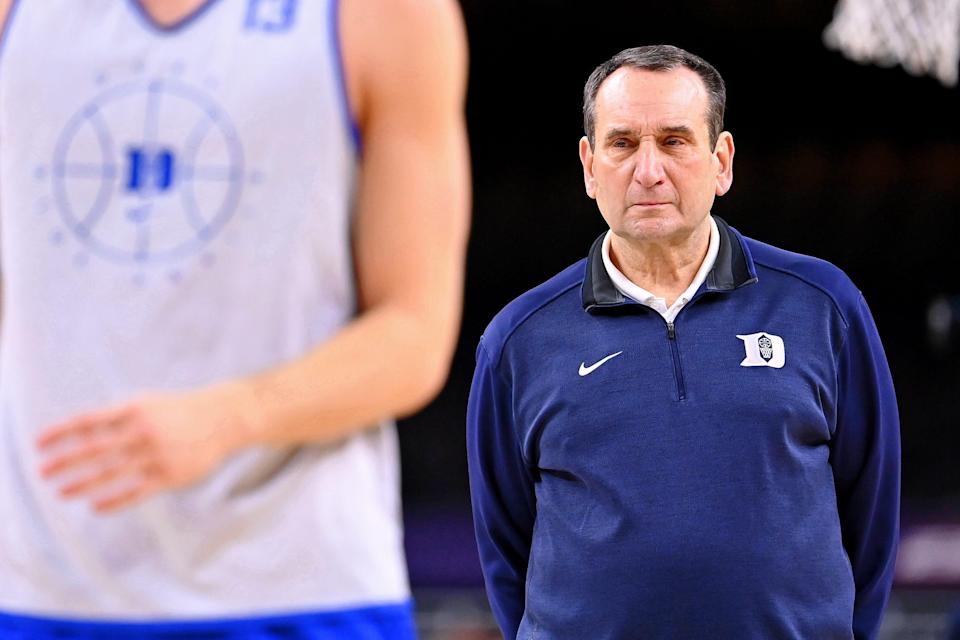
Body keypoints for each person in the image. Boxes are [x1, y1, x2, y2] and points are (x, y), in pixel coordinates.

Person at [0, 0, 469, 637]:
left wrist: (230, 416)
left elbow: (415, 334)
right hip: (41, 586)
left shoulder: (387, 17)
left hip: (297, 585)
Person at [467, 45, 899, 640]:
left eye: (674, 141)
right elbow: (503, 545)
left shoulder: (823, 304)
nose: (648, 171)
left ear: (721, 161)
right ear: (590, 166)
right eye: (622, 144)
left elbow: (872, 514)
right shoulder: (518, 338)